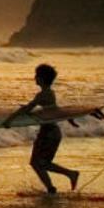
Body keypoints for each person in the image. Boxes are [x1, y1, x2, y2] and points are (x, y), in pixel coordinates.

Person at [14, 63, 78, 192]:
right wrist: (69, 118)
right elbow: (54, 110)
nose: (34, 78)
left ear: (42, 79)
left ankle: (70, 174)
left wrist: (9, 120)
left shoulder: (42, 95)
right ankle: (51, 188)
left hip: (49, 134)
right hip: (48, 132)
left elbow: (28, 108)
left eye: (36, 75)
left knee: (42, 163)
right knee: (36, 163)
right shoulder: (49, 93)